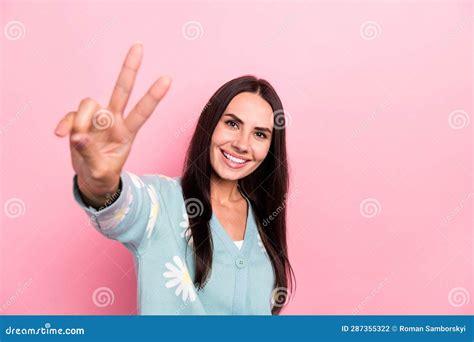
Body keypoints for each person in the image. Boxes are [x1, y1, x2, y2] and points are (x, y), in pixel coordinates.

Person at [54, 43, 295, 315]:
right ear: (210, 123)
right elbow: (125, 207)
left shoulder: (265, 218)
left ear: (271, 148)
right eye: (232, 123)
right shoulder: (164, 201)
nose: (242, 143)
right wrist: (102, 185)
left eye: (260, 134)